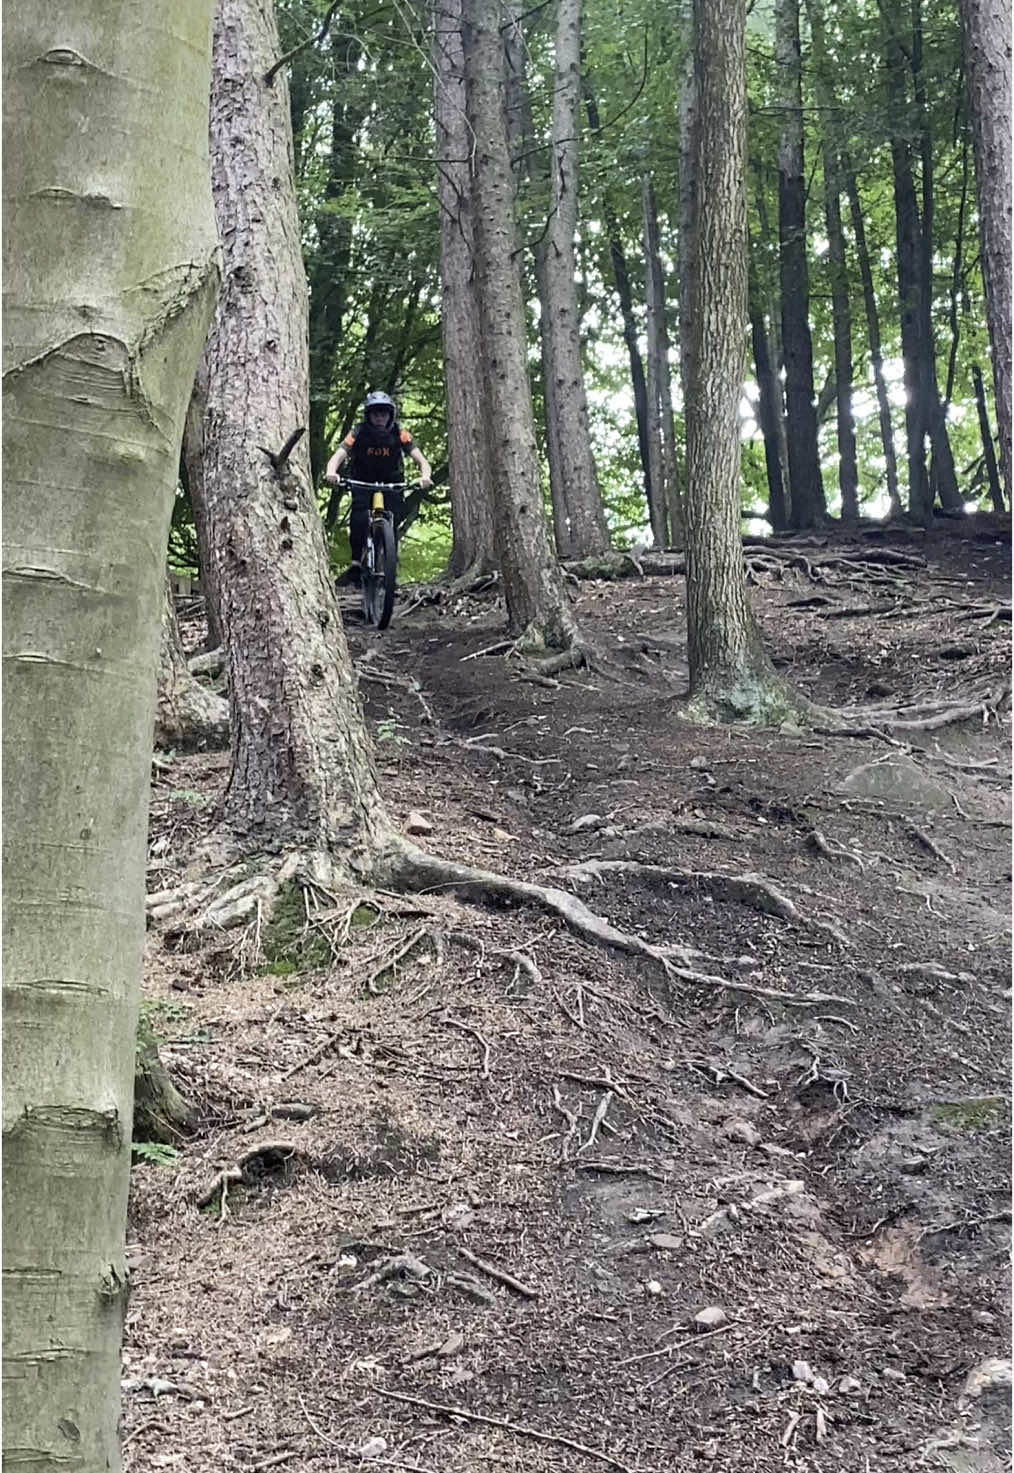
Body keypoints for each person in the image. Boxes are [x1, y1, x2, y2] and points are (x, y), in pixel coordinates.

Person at [325, 392, 432, 578]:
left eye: (384, 413)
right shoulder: (357, 432)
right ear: (369, 415)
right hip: (362, 481)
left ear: (390, 415)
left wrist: (425, 476)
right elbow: (339, 455)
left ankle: (390, 566)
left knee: (394, 519)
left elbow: (421, 460)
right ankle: (356, 562)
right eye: (376, 414)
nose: (380, 418)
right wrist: (331, 472)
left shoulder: (400, 433)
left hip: (392, 482)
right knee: (359, 517)